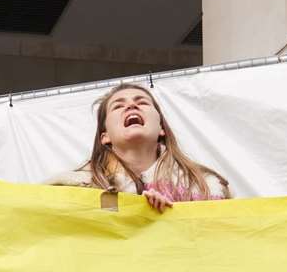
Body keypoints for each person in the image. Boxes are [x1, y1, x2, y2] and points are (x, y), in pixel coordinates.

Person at [50, 82, 231, 210]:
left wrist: (171, 213)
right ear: (105, 136)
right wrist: (135, 211)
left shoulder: (206, 184)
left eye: (142, 102)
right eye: (118, 106)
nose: (131, 106)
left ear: (161, 128)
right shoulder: (78, 185)